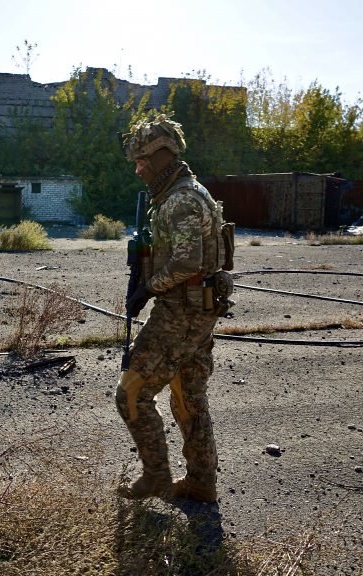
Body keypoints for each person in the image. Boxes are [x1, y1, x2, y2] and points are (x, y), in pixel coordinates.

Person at [116, 114, 233, 502]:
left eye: (142, 161)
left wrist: (148, 288)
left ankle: (156, 477)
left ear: (162, 156)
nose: (137, 169)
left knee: (131, 393)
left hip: (182, 312)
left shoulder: (181, 199)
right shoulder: (184, 192)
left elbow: (186, 263)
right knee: (187, 393)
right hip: (196, 309)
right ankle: (201, 482)